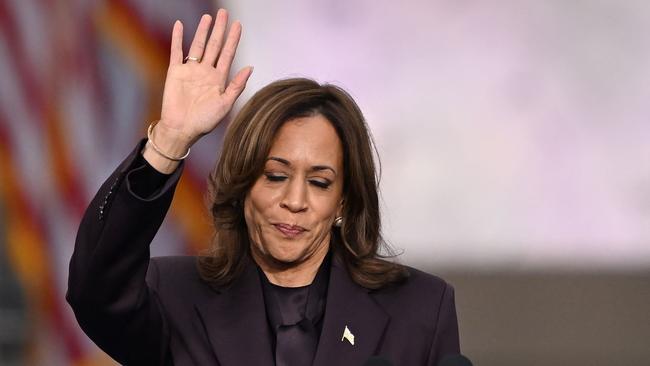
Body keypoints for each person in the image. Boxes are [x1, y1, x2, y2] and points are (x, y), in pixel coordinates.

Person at [67, 9, 460, 366]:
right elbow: (95, 290)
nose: (295, 201)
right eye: (275, 175)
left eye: (320, 182)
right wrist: (169, 139)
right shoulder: (174, 297)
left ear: (344, 200)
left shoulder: (421, 309)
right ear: (241, 186)